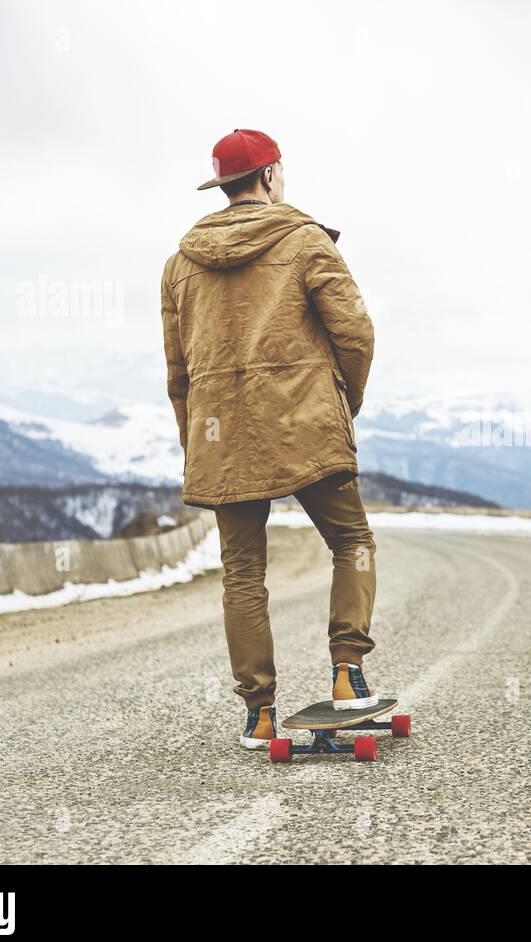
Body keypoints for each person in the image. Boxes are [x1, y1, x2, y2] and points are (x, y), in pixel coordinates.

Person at [160, 129, 378, 750]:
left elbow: (178, 373)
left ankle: (259, 712)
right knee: (352, 542)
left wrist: (195, 444)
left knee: (243, 574)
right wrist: (344, 404)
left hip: (220, 438)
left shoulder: (179, 266)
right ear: (272, 175)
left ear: (223, 185)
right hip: (306, 423)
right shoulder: (306, 241)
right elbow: (357, 334)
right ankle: (346, 670)